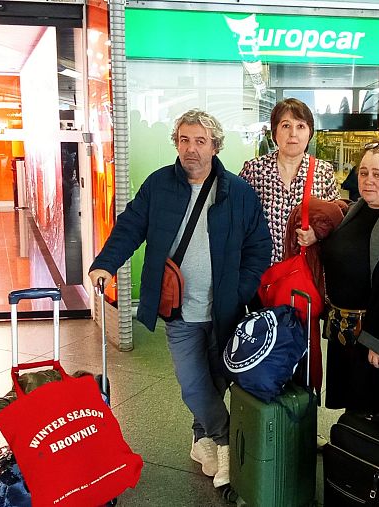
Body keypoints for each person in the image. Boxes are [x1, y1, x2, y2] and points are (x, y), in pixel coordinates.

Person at [87, 109, 271, 490]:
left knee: (216, 380)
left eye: (200, 141)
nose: (191, 149)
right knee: (192, 383)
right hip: (180, 310)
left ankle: (200, 440)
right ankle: (225, 441)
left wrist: (241, 289)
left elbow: (259, 247)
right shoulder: (159, 185)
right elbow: (130, 226)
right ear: (176, 143)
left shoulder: (238, 193)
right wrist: (105, 263)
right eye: (184, 140)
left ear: (215, 146)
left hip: (224, 310)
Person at [297, 138, 379, 420]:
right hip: (345, 332)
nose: (368, 180)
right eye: (363, 172)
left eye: (378, 174)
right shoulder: (360, 208)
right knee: (354, 408)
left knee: (377, 413)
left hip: (376, 336)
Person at [240, 98, 340, 265]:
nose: (293, 133)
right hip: (262, 271)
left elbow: (336, 220)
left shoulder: (323, 171)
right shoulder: (254, 170)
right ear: (275, 132)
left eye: (300, 126)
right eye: (286, 125)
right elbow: (237, 220)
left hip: (304, 272)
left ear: (309, 132)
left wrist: (317, 234)